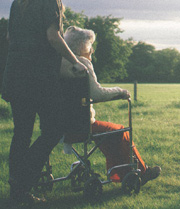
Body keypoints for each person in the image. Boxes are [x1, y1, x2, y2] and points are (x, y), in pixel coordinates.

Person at [2, 0, 88, 205]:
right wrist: (75, 62)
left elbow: (9, 37)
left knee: (21, 133)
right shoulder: (49, 1)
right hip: (38, 79)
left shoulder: (18, 2)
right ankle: (22, 181)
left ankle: (18, 192)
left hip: (15, 75)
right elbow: (53, 36)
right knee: (54, 130)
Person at [59, 26, 161, 185]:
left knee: (108, 133)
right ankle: (141, 171)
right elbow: (97, 94)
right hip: (82, 126)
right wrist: (120, 92)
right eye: (90, 45)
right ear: (81, 46)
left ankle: (118, 174)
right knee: (120, 131)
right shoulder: (82, 64)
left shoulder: (58, 63)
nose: (92, 50)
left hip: (61, 126)